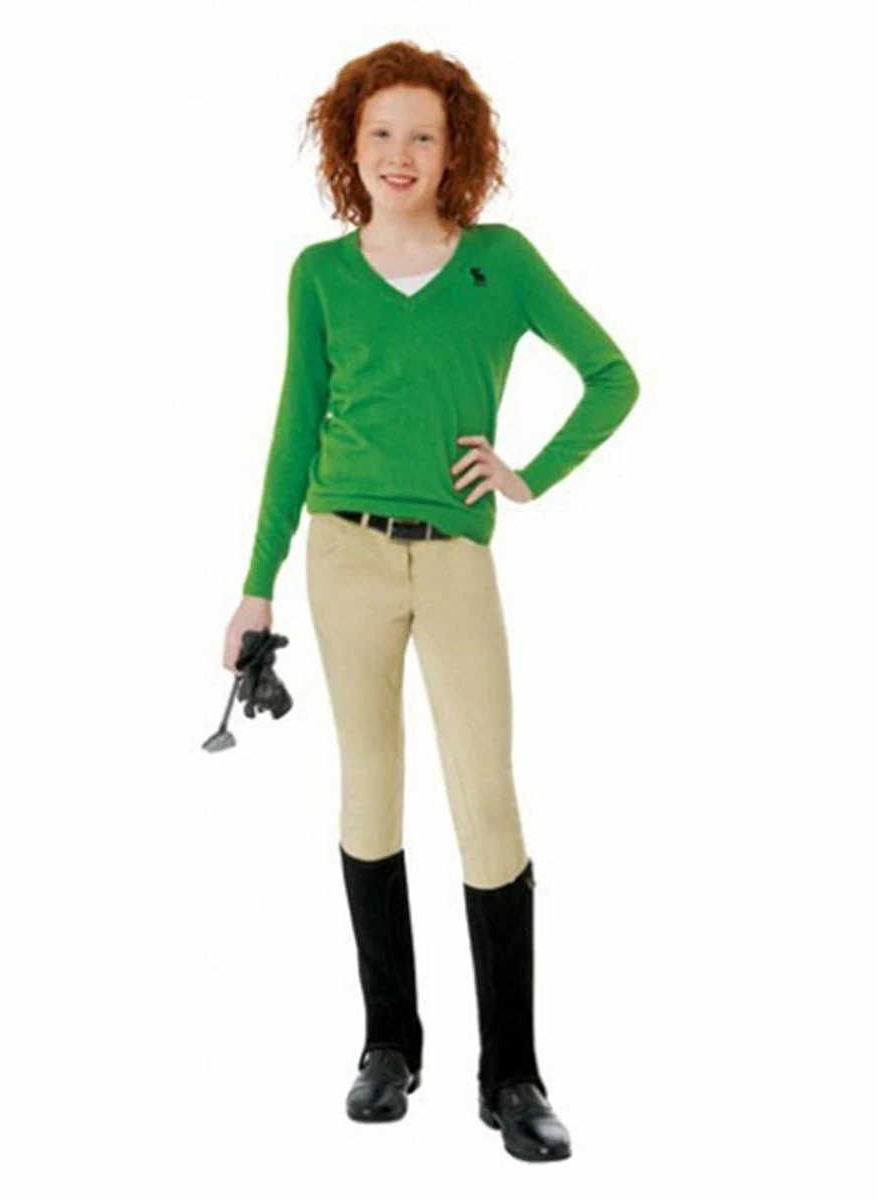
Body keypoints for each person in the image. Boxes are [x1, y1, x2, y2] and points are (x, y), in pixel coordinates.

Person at [223, 40, 639, 1163]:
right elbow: (292, 432)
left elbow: (614, 377)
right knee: (370, 789)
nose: (399, 154)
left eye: (422, 134)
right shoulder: (319, 274)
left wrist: (528, 475)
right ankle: (387, 1047)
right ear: (347, 146)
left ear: (458, 150)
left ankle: (513, 1075)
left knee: (486, 798)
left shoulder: (501, 261)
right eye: (379, 134)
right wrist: (256, 587)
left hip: (455, 556)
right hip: (343, 553)